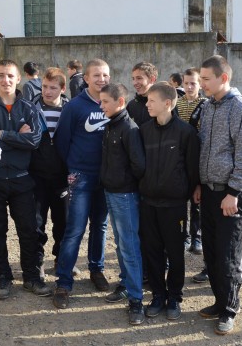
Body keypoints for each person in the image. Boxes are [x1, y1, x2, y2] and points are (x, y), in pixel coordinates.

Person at [0, 60, 52, 300]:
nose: (5, 80)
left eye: (10, 76)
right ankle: (4, 278)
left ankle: (31, 277)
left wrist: (3, 134)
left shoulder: (29, 107)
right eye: (1, 76)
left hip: (21, 180)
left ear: (19, 78)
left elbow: (35, 141)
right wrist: (17, 136)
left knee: (28, 230)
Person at [193, 55, 242, 336]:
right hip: (207, 191)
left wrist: (233, 192)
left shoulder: (240, 108)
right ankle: (219, 301)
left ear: (224, 78)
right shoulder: (207, 107)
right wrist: (198, 183)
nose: (202, 84)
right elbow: (202, 148)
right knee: (212, 251)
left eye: (206, 79)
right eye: (201, 79)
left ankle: (230, 309)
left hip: (230, 195)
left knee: (229, 253)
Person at [53, 59, 112, 309]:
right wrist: (74, 168)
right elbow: (62, 142)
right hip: (81, 176)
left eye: (105, 75)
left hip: (107, 178)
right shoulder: (75, 107)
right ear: (85, 78)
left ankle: (96, 270)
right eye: (96, 75)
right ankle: (64, 282)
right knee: (75, 229)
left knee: (100, 226)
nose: (102, 79)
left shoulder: (113, 103)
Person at [140, 82, 200, 321]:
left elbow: (192, 169)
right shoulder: (144, 131)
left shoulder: (186, 133)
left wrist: (188, 191)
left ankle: (174, 296)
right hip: (148, 203)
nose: (147, 105)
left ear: (167, 103)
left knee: (175, 253)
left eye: (151, 101)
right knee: (152, 252)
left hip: (174, 206)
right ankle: (157, 295)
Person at [99, 83, 146, 325]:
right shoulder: (111, 125)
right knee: (120, 244)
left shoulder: (129, 128)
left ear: (119, 102)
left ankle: (136, 301)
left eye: (105, 101)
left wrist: (124, 184)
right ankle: (127, 285)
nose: (101, 105)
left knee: (129, 247)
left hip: (125, 196)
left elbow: (138, 166)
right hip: (111, 192)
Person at [29, 68, 70, 279]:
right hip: (37, 177)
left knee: (63, 222)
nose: (47, 91)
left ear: (62, 89)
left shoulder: (70, 110)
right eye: (45, 86)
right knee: (37, 223)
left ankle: (60, 260)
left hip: (62, 178)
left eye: (53, 88)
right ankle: (38, 263)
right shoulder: (30, 108)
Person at [175, 68, 207, 255]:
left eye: (192, 83)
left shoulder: (206, 104)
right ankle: (184, 236)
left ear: (199, 84)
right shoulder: (176, 104)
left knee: (197, 201)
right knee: (181, 200)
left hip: (199, 157)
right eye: (186, 83)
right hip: (180, 158)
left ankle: (197, 236)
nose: (188, 86)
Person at [127, 61, 158, 127]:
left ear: (152, 79)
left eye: (139, 78)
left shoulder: (163, 104)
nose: (134, 83)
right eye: (133, 79)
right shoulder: (131, 105)